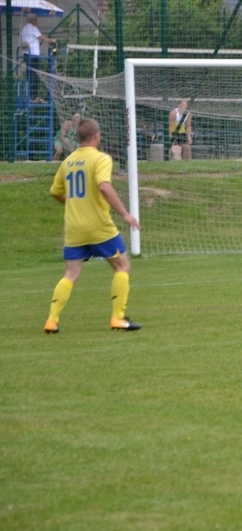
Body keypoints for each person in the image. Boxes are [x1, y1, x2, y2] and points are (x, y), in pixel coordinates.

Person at [43, 118, 142, 333]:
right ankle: (118, 317)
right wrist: (125, 214)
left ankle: (52, 320)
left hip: (74, 228)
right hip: (99, 227)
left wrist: (72, 202)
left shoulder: (68, 161)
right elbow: (104, 186)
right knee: (122, 266)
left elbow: (55, 191)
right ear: (97, 136)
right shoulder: (100, 159)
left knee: (70, 273)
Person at [19, 14, 57, 102]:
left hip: (27, 55)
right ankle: (34, 96)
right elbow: (41, 37)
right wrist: (51, 40)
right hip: (33, 56)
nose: (37, 22)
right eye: (36, 20)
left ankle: (32, 96)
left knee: (31, 75)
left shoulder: (24, 29)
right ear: (33, 20)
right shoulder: (32, 28)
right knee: (35, 76)